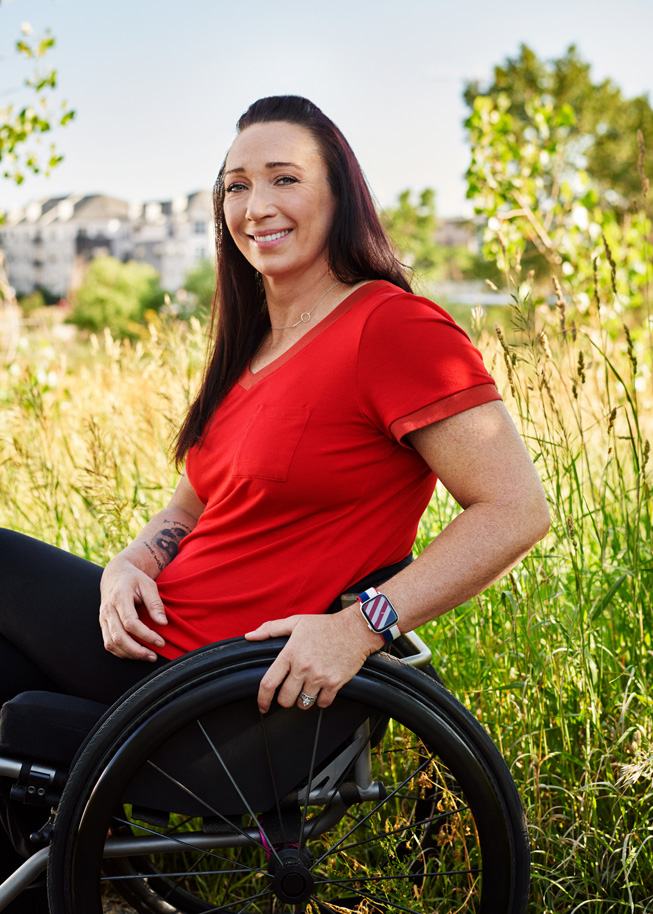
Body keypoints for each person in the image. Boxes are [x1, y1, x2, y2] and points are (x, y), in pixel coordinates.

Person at [0, 95, 549, 909]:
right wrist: (129, 564)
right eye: (235, 185)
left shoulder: (392, 328)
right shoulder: (252, 343)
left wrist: (360, 627)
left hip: (220, 691)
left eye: (283, 178)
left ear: (339, 193)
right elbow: (186, 510)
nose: (255, 205)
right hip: (154, 645)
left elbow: (514, 509)